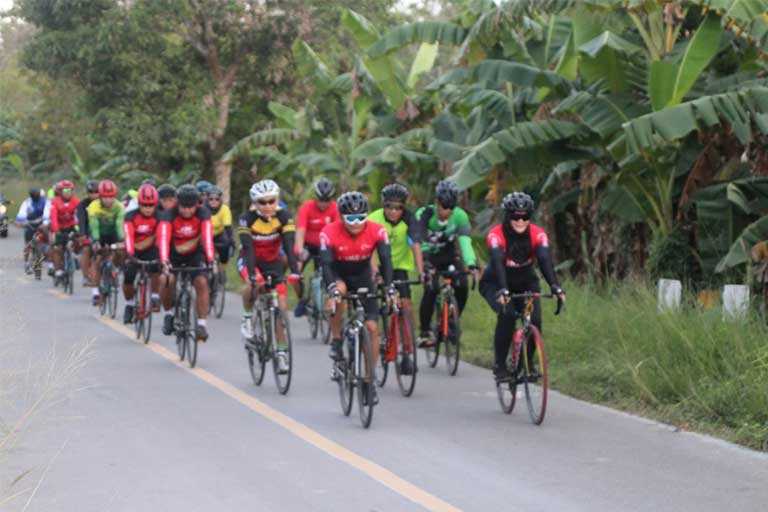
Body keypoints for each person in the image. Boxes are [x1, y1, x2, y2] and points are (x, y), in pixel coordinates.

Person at [320, 191, 396, 405]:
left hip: (363, 276)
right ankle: (336, 339)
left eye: (360, 218)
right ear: (342, 217)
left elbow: (386, 260)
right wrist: (332, 288)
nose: (355, 223)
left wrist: (390, 288)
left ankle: (369, 382)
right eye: (350, 218)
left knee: (372, 328)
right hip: (338, 273)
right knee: (337, 294)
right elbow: (326, 265)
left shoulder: (377, 231)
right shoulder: (329, 232)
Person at [479, 192, 565, 380]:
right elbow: (497, 261)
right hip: (495, 281)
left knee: (535, 321)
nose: (520, 221)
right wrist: (502, 289)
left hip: (525, 280)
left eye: (525, 216)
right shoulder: (496, 234)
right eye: (515, 217)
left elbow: (544, 259)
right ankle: (500, 365)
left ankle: (528, 363)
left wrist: (555, 286)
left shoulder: (537, 233)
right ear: (507, 216)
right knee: (507, 315)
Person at [237, 179, 300, 374]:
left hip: (273, 262)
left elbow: (289, 248)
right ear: (254, 203)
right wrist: (254, 277)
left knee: (280, 309)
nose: (267, 206)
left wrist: (296, 271)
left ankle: (281, 353)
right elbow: (248, 250)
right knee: (253, 284)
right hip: (250, 260)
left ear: (277, 200)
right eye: (262, 202)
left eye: (271, 201)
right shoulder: (246, 219)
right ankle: (247, 317)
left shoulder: (284, 217)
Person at [368, 183, 424, 375]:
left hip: (399, 266)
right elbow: (369, 250)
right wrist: (375, 272)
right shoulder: (373, 220)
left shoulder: (410, 219)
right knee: (379, 302)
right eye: (389, 206)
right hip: (378, 265)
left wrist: (422, 272)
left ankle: (407, 351)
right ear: (383, 206)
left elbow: (415, 244)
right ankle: (381, 334)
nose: (394, 211)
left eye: (398, 207)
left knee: (406, 306)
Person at [415, 180, 480, 348]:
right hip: (429, 256)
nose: (447, 212)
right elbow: (419, 239)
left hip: (449, 256)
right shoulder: (424, 213)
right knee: (431, 289)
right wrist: (424, 268)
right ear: (436, 202)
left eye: (451, 208)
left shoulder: (460, 216)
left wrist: (471, 264)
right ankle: (424, 331)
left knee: (462, 285)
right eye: (444, 207)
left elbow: (465, 242)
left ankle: (452, 322)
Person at [158, 184, 215, 341]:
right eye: (183, 207)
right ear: (178, 203)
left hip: (195, 255)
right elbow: (163, 239)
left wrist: (210, 259)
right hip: (172, 254)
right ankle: (169, 314)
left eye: (191, 208)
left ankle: (202, 324)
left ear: (197, 204)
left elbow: (207, 237)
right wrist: (164, 260)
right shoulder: (169, 214)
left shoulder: (203, 213)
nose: (187, 211)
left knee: (202, 282)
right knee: (166, 279)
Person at [292, 177, 339, 317]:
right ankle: (301, 300)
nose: (323, 204)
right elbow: (301, 230)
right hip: (307, 245)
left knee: (330, 273)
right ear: (315, 197)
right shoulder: (306, 207)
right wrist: (300, 249)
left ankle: (327, 301)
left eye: (327, 200)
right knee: (295, 275)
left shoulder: (335, 208)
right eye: (320, 199)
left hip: (326, 246)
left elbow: (337, 232)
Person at [122, 184, 162, 324]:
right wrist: (130, 254)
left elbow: (161, 237)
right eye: (144, 205)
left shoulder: (160, 217)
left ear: (155, 205)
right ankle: (129, 304)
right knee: (128, 277)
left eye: (151, 205)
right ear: (139, 204)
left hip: (151, 250)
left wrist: (161, 256)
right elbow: (128, 236)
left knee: (157, 268)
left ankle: (155, 295)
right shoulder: (130, 216)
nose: (147, 209)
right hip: (134, 249)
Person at [88, 180, 126, 306]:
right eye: (105, 197)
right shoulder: (94, 206)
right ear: (100, 196)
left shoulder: (119, 206)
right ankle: (95, 292)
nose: (108, 200)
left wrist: (121, 240)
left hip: (113, 234)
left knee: (120, 251)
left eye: (111, 197)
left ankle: (114, 268)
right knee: (97, 260)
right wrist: (96, 241)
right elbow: (94, 225)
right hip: (98, 233)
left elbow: (119, 224)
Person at [49, 180, 80, 282]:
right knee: (58, 248)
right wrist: (56, 230)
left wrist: (78, 228)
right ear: (60, 192)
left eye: (70, 190)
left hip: (71, 226)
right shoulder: (55, 202)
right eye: (65, 190)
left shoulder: (76, 202)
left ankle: (75, 256)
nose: (68, 193)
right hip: (59, 227)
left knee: (79, 239)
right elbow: (53, 218)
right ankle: (58, 270)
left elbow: (78, 216)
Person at [15, 187, 50, 270]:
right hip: (30, 224)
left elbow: (47, 213)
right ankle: (26, 262)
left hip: (41, 224)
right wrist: (20, 221)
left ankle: (48, 251)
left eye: (37, 194)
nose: (35, 196)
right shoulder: (27, 202)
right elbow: (21, 214)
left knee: (47, 238)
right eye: (33, 195)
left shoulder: (45, 201)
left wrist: (45, 223)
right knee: (27, 244)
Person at [76, 180, 100, 286]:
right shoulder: (82, 204)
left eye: (96, 192)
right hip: (88, 232)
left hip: (103, 233)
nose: (94, 195)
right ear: (87, 193)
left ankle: (112, 272)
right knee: (86, 250)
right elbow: (81, 221)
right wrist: (82, 235)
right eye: (91, 192)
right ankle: (85, 276)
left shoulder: (105, 203)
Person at [207, 185, 234, 269]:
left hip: (219, 234)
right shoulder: (203, 209)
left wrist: (231, 242)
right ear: (207, 200)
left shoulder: (224, 209)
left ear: (220, 200)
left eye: (217, 199)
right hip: (205, 235)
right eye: (211, 199)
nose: (214, 201)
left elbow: (228, 227)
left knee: (225, 246)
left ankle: (222, 268)